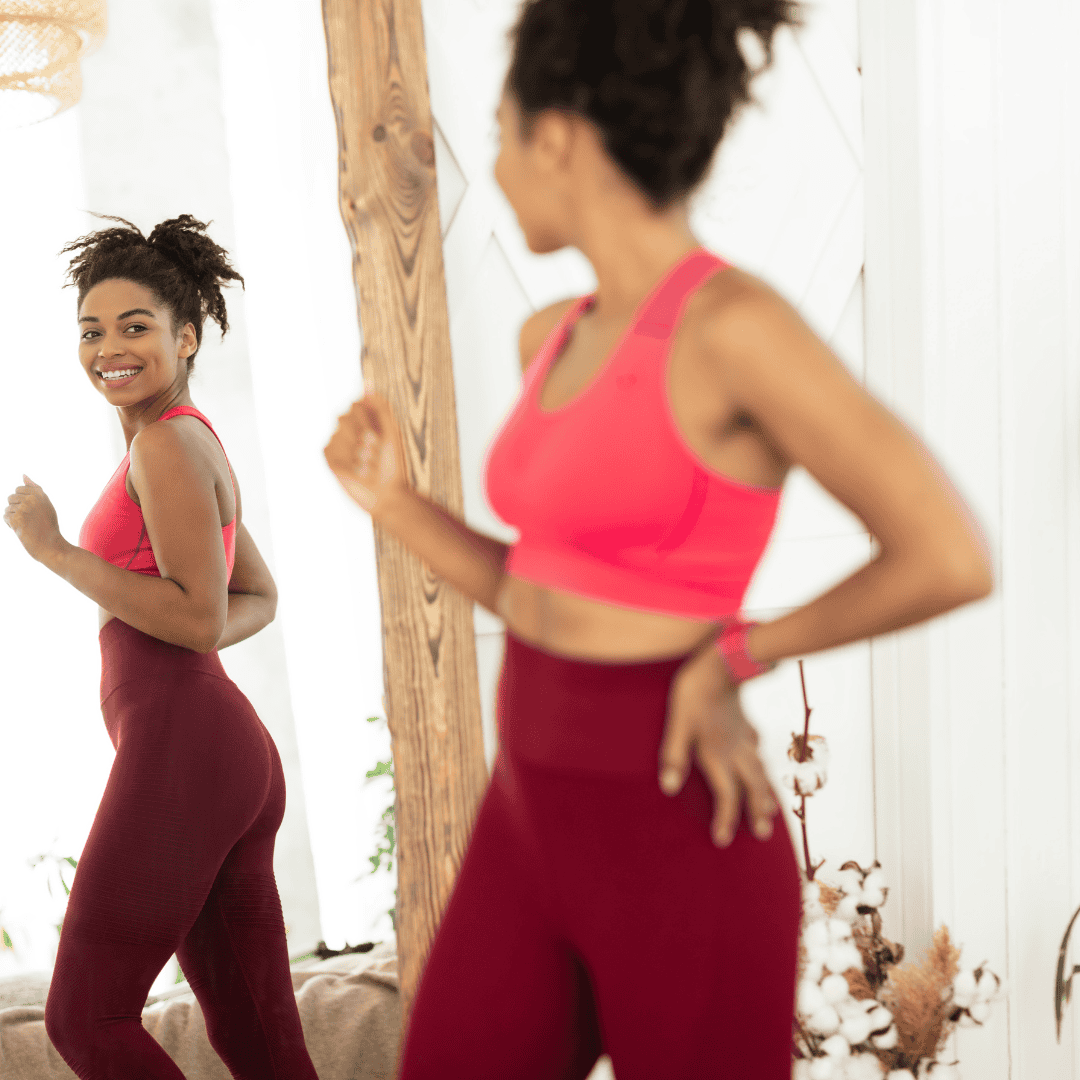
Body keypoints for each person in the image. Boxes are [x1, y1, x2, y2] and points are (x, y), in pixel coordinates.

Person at [323, 2, 993, 1077]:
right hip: (529, 817)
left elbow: (946, 553)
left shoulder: (736, 330)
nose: (490, 167)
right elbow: (540, 588)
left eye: (498, 134)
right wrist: (396, 504)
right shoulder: (555, 335)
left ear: (556, 138)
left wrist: (737, 652)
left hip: (679, 835)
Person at [3, 215, 319, 1080]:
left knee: (87, 1015)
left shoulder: (166, 443)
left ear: (185, 336)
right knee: (258, 1039)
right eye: (91, 330)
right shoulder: (182, 435)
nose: (108, 347)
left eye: (134, 327)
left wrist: (55, 551)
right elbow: (254, 597)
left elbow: (199, 621)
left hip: (187, 743)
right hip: (221, 750)